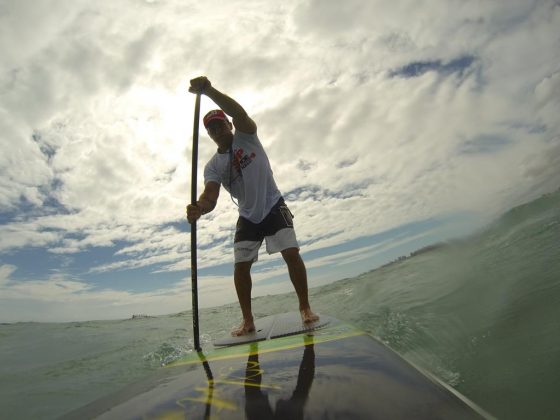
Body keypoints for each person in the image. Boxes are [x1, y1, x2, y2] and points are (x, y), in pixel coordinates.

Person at [186, 76, 319, 336]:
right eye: (211, 129)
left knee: (291, 253)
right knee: (240, 266)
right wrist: (199, 208)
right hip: (247, 215)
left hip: (272, 204)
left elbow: (240, 113)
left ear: (228, 125)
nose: (217, 130)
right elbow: (210, 197)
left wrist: (209, 90)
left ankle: (305, 308)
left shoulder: (247, 135)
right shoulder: (213, 166)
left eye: (220, 124)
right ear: (209, 135)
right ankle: (248, 321)